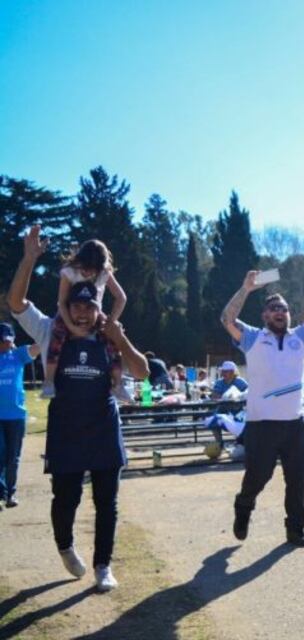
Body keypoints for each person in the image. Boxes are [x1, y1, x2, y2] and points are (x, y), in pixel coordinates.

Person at [7, 225, 149, 593]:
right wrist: (28, 259)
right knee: (65, 498)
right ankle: (65, 546)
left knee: (107, 501)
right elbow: (16, 304)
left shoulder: (109, 333)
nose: (84, 313)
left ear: (98, 306)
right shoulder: (50, 330)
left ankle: (104, 566)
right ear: (67, 306)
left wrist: (122, 338)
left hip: (104, 428)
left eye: (90, 306)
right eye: (77, 306)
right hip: (67, 431)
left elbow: (142, 373)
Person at [220, 273, 304, 547]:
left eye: (285, 309)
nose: (280, 312)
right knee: (258, 477)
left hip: (293, 423)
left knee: (298, 478)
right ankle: (244, 506)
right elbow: (226, 320)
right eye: (274, 308)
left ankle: (295, 529)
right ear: (265, 315)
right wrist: (246, 288)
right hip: (261, 425)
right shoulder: (253, 338)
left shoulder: (301, 336)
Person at [42, 238, 127, 399]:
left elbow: (121, 298)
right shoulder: (69, 272)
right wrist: (71, 326)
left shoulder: (104, 273)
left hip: (95, 313)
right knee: (56, 337)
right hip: (69, 312)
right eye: (85, 269)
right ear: (79, 261)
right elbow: (61, 302)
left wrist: (110, 322)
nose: (88, 273)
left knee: (114, 341)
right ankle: (49, 381)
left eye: (92, 270)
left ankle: (118, 383)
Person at [0, 322, 41, 509]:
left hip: (16, 416)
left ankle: (10, 494)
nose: (5, 344)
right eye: (2, 341)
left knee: (13, 458)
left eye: (8, 341)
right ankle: (1, 493)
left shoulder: (17, 355)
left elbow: (39, 346)